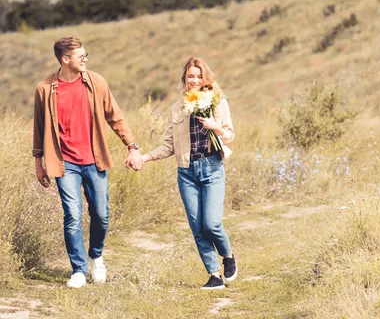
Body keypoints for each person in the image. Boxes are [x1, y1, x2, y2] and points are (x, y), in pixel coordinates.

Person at [33, 36, 143, 288]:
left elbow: (115, 117)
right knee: (72, 215)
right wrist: (38, 163)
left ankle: (96, 255)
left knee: (101, 214)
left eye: (85, 54)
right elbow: (39, 128)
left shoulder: (96, 82)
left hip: (94, 160)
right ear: (65, 59)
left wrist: (132, 146)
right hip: (64, 163)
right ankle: (79, 270)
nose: (85, 58)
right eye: (81, 55)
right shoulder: (45, 88)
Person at [135, 57, 237, 290]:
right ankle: (214, 275)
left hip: (212, 168)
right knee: (197, 227)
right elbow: (169, 146)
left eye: (199, 76)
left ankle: (228, 255)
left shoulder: (218, 102)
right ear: (184, 78)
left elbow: (230, 134)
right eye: (191, 76)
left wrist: (215, 127)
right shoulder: (177, 108)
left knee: (211, 223)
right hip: (187, 172)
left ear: (205, 78)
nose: (195, 80)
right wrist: (145, 157)